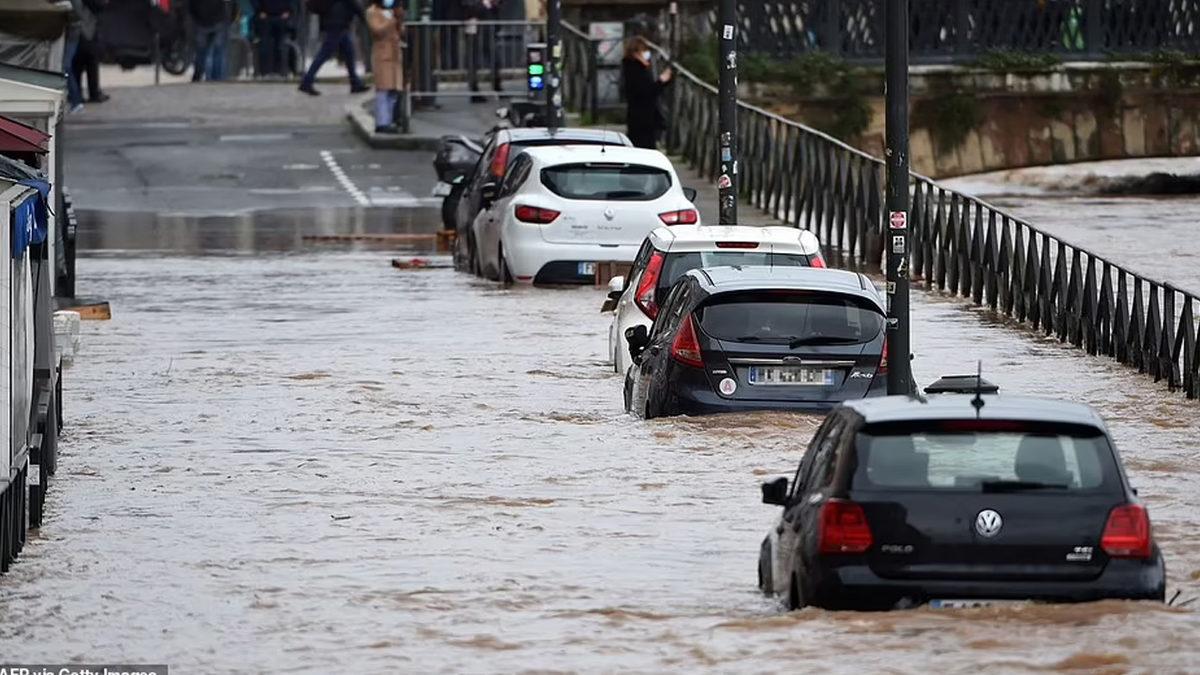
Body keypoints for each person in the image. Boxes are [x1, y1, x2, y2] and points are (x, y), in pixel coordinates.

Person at [299, 0, 369, 96]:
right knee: (324, 54)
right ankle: (306, 82)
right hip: (339, 22)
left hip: (333, 21)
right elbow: (353, 3)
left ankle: (355, 83)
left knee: (349, 52)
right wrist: (364, 17)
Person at [621, 36, 672, 149]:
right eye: (644, 51)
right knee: (644, 146)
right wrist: (661, 81)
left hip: (641, 117)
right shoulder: (635, 69)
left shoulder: (634, 68)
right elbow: (646, 92)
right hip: (642, 119)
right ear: (636, 53)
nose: (647, 55)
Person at [366, 0, 405, 133]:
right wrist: (391, 21)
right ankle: (382, 122)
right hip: (382, 54)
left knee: (393, 89)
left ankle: (389, 120)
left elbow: (401, 32)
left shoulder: (392, 12)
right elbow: (377, 30)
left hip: (395, 54)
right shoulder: (372, 11)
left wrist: (399, 20)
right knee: (383, 89)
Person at [71, 0, 109, 104]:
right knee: (90, 60)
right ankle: (92, 93)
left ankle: (80, 93)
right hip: (85, 29)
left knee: (79, 63)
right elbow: (97, 5)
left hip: (80, 28)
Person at [190, 0, 231, 81]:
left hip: (201, 22)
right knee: (218, 52)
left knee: (201, 52)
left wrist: (195, 19)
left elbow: (191, 7)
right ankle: (216, 78)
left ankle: (199, 75)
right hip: (219, 20)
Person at [252, 0, 296, 77]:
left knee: (280, 46)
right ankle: (265, 72)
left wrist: (289, 10)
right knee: (265, 46)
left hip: (281, 16)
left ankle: (279, 71)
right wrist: (259, 10)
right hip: (265, 16)